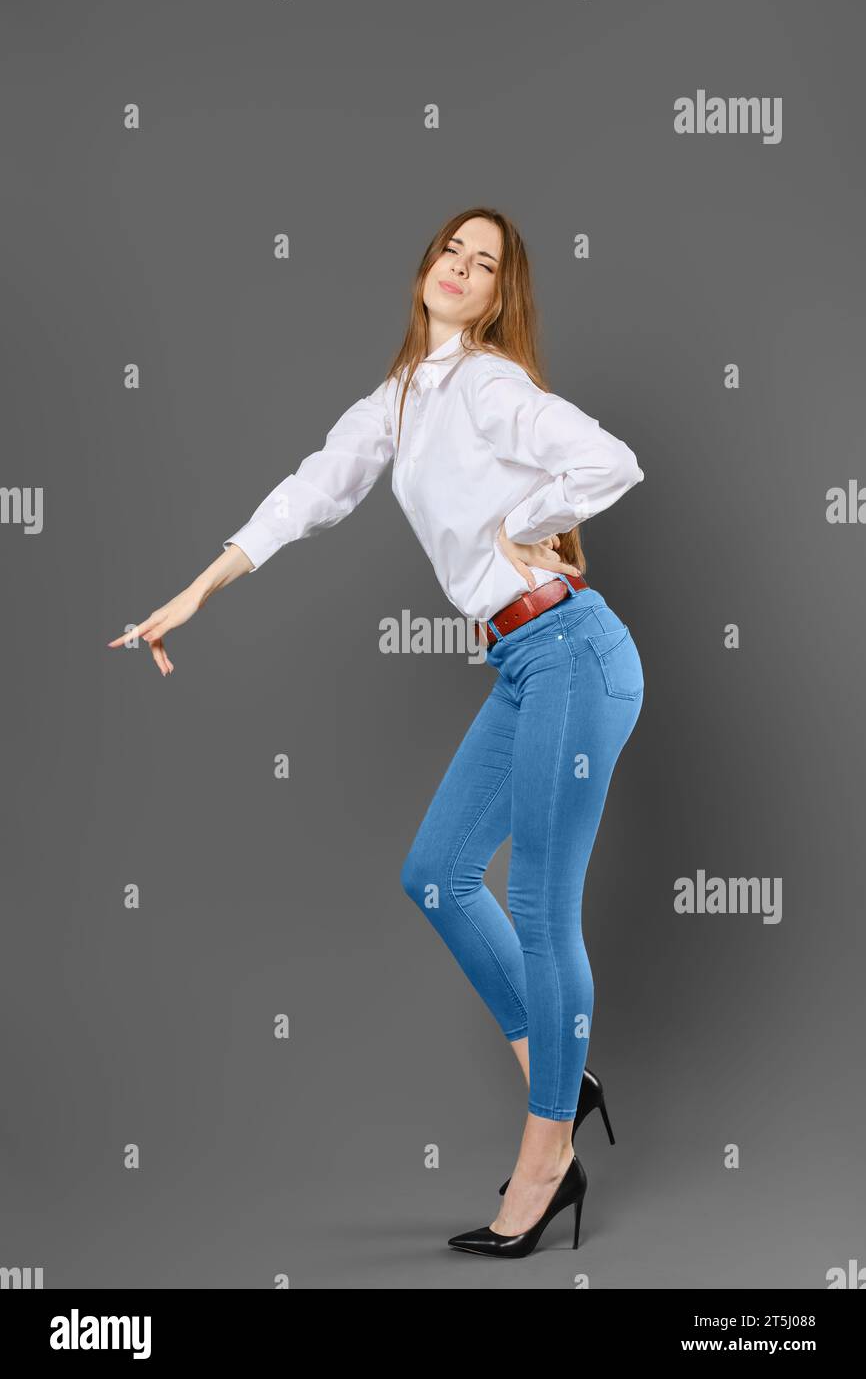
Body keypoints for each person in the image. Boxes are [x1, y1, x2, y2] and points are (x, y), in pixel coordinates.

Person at [108, 207, 645, 1259]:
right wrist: (193, 595)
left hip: (573, 653)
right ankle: (558, 1071)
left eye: (484, 264)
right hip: (520, 661)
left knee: (537, 904)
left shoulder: (489, 383)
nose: (462, 267)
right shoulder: (395, 404)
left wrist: (522, 528)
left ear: (497, 298)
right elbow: (305, 495)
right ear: (426, 267)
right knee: (439, 873)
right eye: (453, 249)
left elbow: (609, 461)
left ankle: (545, 1158)